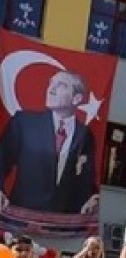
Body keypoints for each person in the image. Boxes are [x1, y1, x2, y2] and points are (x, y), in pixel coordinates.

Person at [0, 71, 99, 215]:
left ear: (76, 98)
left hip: (61, 223)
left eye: (61, 85)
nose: (51, 90)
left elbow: (85, 177)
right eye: (51, 83)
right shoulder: (24, 123)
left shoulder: (85, 135)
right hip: (21, 217)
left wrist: (93, 197)